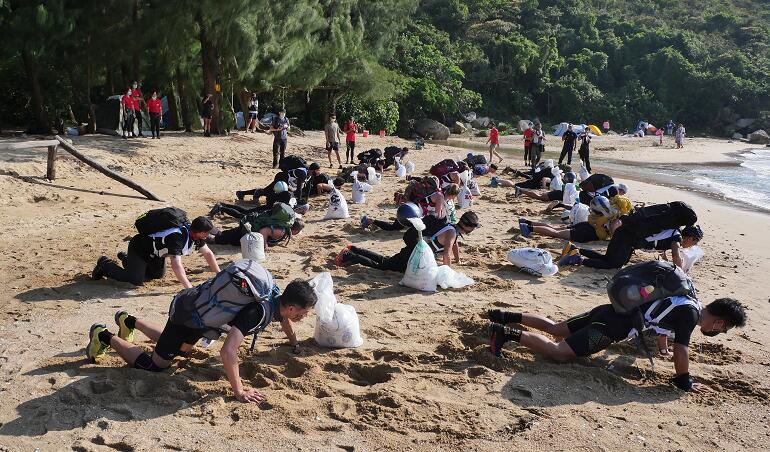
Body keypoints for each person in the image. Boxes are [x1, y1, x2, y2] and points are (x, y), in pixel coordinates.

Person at [86, 262, 317, 403]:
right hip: (186, 317)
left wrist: (294, 343)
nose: (304, 316)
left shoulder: (275, 295)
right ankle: (103, 334)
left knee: (181, 351)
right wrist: (238, 391)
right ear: (290, 307)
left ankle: (129, 321)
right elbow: (228, 352)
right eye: (304, 312)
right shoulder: (258, 312)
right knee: (156, 366)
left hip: (200, 318)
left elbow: (285, 322)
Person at [486, 297, 747, 392]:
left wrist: (662, 346)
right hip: (612, 328)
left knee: (555, 328)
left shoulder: (688, 301)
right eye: (724, 328)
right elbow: (683, 349)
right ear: (721, 321)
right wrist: (684, 380)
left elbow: (661, 322)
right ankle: (505, 333)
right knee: (559, 352)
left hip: (608, 310)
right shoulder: (690, 317)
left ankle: (504, 315)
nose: (720, 332)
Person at [92, 215, 220, 288]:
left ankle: (127, 260)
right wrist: (189, 288)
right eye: (206, 233)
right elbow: (176, 265)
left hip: (155, 254)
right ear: (199, 232)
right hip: (140, 248)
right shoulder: (177, 238)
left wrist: (219, 274)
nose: (208, 235)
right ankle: (105, 265)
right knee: (135, 280)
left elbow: (208, 253)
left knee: (157, 275)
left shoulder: (194, 235)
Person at [339, 211, 480, 271]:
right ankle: (350, 255)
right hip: (413, 254)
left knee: (385, 260)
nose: (473, 230)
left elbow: (454, 246)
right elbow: (446, 254)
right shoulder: (451, 233)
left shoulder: (453, 229)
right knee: (383, 266)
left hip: (415, 252)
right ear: (467, 226)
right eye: (473, 228)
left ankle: (354, 249)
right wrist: (447, 273)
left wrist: (458, 261)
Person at [559, 223, 704, 270]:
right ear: (690, 238)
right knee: (613, 265)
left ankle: (574, 249)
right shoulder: (676, 237)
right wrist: (680, 272)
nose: (693, 245)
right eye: (695, 242)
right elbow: (675, 256)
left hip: (626, 236)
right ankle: (578, 259)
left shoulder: (673, 231)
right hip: (626, 238)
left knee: (608, 258)